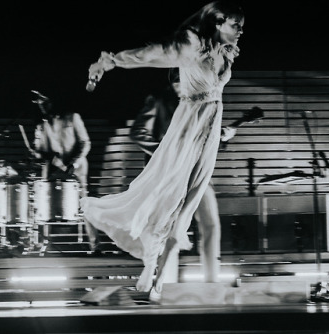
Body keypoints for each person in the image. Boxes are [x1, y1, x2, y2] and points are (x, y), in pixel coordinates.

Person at [81, 0, 244, 294]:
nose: (241, 31)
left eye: (242, 27)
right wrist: (115, 60)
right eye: (236, 25)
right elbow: (156, 54)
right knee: (171, 204)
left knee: (188, 207)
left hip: (207, 134)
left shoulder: (225, 51)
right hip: (187, 130)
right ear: (218, 23)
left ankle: (156, 279)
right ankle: (151, 268)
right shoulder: (193, 43)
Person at [129, 68, 238, 290]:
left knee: (211, 224)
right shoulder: (159, 100)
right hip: (169, 175)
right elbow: (138, 132)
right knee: (168, 228)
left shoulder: (202, 103)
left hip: (197, 173)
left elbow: (206, 139)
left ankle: (211, 280)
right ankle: (163, 283)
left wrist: (226, 134)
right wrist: (167, 153)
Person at [29, 91, 98, 248]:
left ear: (53, 102)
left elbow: (85, 142)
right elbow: (41, 150)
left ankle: (95, 246)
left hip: (76, 168)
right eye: (39, 104)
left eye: (44, 102)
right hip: (53, 168)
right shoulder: (41, 125)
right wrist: (36, 152)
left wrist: (74, 162)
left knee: (84, 205)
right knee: (42, 200)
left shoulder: (72, 117)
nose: (42, 106)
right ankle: (42, 245)